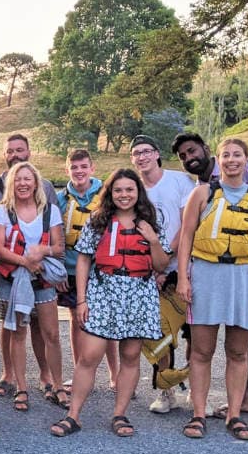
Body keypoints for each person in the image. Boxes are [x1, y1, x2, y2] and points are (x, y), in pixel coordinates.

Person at [173, 132, 248, 432]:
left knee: (239, 351)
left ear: (246, 160)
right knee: (202, 350)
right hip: (207, 275)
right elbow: (186, 236)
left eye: (236, 155)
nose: (231, 160)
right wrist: (183, 278)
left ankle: (236, 415)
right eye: (226, 155)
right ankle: (198, 414)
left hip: (246, 278)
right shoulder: (201, 193)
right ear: (219, 158)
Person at [51, 170, 170, 438]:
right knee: (89, 355)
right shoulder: (98, 220)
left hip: (139, 294)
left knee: (130, 356)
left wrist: (152, 239)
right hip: (104, 291)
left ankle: (120, 414)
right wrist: (82, 299)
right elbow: (83, 258)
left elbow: (161, 265)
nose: (124, 195)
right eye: (118, 190)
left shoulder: (152, 220)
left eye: (129, 190)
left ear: (138, 192)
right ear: (110, 193)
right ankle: (73, 415)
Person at [0, 135, 61, 400]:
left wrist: (46, 258)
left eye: (20, 150)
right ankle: (12, 378)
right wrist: (23, 261)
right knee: (11, 327)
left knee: (45, 328)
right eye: (10, 151)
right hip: (10, 273)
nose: (15, 154)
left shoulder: (48, 195)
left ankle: (49, 378)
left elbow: (57, 239)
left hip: (41, 275)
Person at [128, 134, 199, 415]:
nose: (142, 157)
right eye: (136, 154)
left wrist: (167, 256)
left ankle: (195, 386)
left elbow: (188, 223)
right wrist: (152, 267)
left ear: (157, 154)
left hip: (184, 267)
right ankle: (165, 390)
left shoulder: (180, 181)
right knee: (158, 334)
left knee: (194, 332)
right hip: (151, 274)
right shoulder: (133, 189)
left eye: (146, 151)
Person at [56, 149, 119, 400]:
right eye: (74, 168)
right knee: (76, 319)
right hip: (71, 268)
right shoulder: (61, 199)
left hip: (102, 269)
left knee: (106, 323)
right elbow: (55, 234)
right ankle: (80, 371)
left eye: (83, 167)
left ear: (92, 168)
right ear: (67, 170)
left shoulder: (107, 195)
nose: (79, 172)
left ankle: (115, 374)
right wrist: (58, 269)